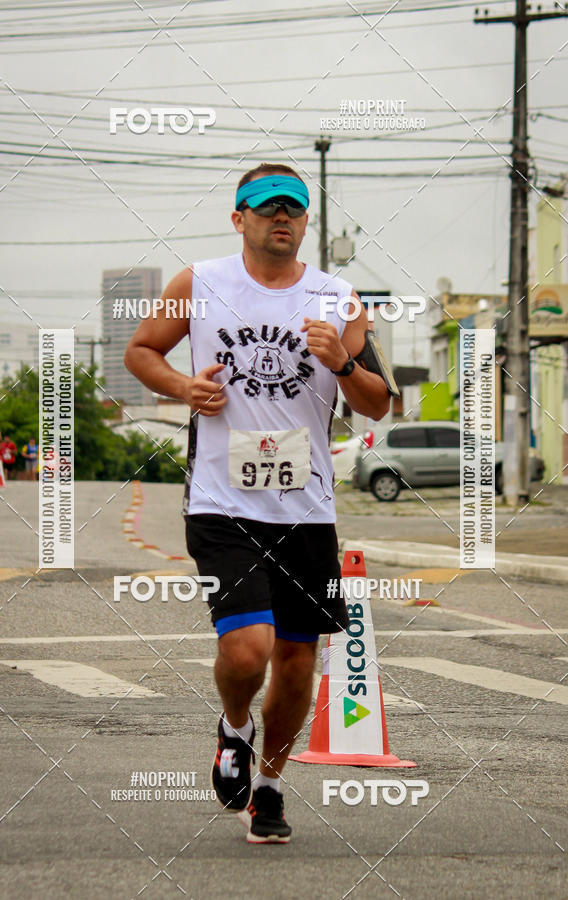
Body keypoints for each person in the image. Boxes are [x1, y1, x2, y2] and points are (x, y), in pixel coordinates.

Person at [124, 163, 391, 844]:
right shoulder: (201, 283)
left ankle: (268, 785)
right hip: (222, 502)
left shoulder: (340, 299)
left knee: (297, 662)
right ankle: (234, 727)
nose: (283, 218)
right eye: (266, 207)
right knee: (248, 652)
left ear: (306, 222)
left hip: (306, 509)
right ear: (238, 217)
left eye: (294, 210)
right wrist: (183, 389)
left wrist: (343, 364)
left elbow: (378, 404)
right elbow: (141, 350)